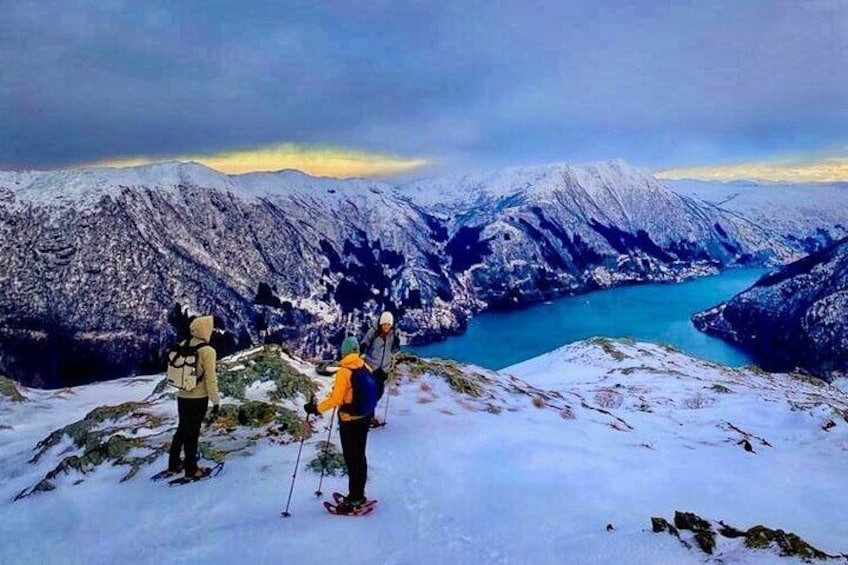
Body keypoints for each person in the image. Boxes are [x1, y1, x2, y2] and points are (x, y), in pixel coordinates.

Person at [304, 336, 372, 513]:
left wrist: (315, 409)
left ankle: (355, 499)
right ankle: (358, 494)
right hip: (364, 418)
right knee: (360, 457)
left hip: (350, 420)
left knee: (351, 459)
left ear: (344, 351)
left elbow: (336, 399)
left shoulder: (344, 371)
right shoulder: (365, 366)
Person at [168, 315, 220, 480]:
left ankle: (174, 463)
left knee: (182, 429)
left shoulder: (184, 345)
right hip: (198, 398)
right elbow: (211, 379)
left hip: (182, 396)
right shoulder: (208, 351)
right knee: (193, 433)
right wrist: (216, 401)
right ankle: (192, 470)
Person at [360, 310, 401, 426]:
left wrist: (397, 345)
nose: (386, 327)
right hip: (371, 367)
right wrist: (362, 348)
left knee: (379, 392)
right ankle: (367, 418)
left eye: (388, 325)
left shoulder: (394, 334)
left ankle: (367, 415)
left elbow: (395, 352)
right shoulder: (374, 332)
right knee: (371, 393)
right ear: (380, 324)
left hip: (383, 369)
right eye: (384, 324)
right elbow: (365, 341)